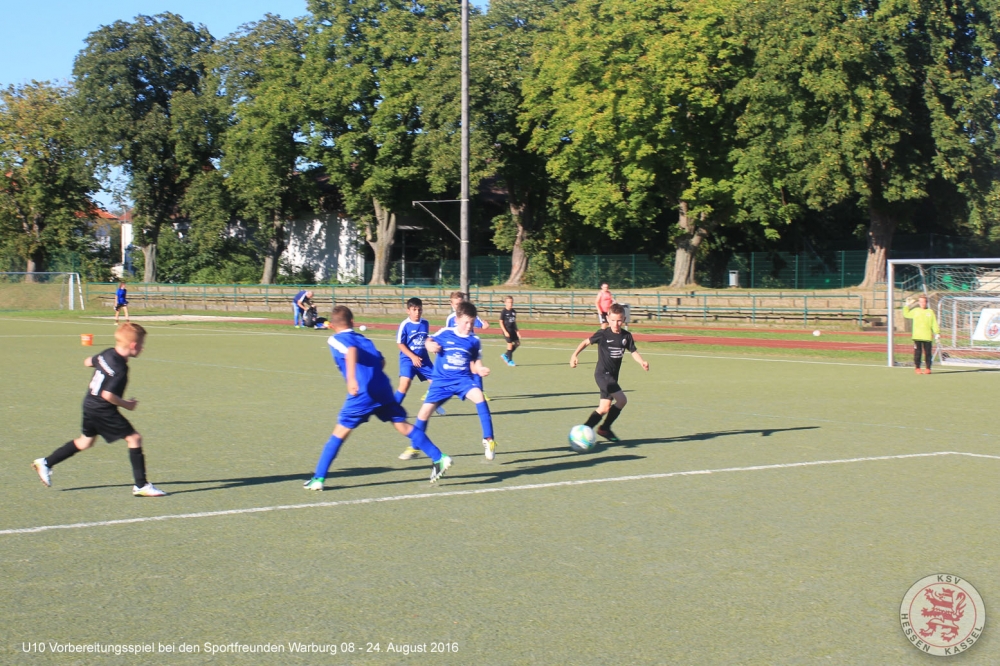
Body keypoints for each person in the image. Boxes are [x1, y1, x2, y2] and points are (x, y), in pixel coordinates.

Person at [304, 306, 452, 491]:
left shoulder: (335, 339)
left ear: (333, 325)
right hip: (383, 388)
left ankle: (318, 478)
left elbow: (351, 351)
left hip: (362, 393)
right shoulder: (364, 339)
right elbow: (381, 360)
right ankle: (439, 457)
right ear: (352, 322)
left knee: (339, 432)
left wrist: (352, 379)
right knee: (402, 425)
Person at [31, 323, 166, 497]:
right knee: (134, 438)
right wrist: (127, 404)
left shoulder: (107, 353)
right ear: (133, 345)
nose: (142, 348)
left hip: (89, 404)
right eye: (141, 344)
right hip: (102, 409)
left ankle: (46, 462)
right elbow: (107, 394)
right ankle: (141, 485)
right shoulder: (120, 368)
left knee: (85, 442)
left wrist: (101, 367)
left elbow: (88, 361)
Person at [414, 301, 497, 461]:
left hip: (462, 380)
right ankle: (415, 445)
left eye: (472, 323)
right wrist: (430, 346)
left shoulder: (474, 340)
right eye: (466, 322)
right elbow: (429, 340)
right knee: (424, 412)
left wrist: (480, 369)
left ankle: (489, 439)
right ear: (457, 320)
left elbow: (475, 363)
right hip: (442, 381)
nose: (469, 326)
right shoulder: (446, 332)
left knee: (479, 396)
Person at [570, 303, 649, 442]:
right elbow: (585, 342)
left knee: (604, 408)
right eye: (612, 320)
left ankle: (586, 429)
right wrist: (574, 355)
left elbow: (633, 351)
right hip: (602, 374)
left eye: (619, 320)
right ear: (607, 318)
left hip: (612, 376)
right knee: (622, 400)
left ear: (624, 319)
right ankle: (605, 428)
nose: (616, 324)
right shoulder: (603, 334)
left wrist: (641, 361)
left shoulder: (626, 336)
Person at [444, 291, 491, 400]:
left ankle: (480, 391)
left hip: (469, 347)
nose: (458, 306)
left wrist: (485, 325)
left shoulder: (469, 315)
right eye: (456, 304)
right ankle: (438, 389)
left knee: (475, 368)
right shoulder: (450, 318)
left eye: (460, 304)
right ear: (451, 304)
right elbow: (447, 333)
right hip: (455, 348)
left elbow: (481, 324)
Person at [903, 294, 940, 374]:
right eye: (921, 302)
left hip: (927, 337)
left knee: (928, 353)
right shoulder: (915, 311)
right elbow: (906, 314)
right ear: (919, 303)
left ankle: (928, 368)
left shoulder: (930, 312)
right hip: (917, 337)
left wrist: (937, 333)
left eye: (924, 302)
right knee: (918, 353)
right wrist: (907, 305)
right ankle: (917, 368)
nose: (922, 303)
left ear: (926, 302)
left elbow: (934, 323)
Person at [499, 295, 520, 366]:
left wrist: (517, 331)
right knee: (510, 344)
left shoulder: (513, 311)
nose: (510, 304)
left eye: (511, 302)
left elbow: (514, 322)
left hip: (512, 330)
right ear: (505, 303)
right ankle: (510, 361)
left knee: (517, 343)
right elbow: (501, 322)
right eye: (508, 302)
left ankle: (506, 355)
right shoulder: (504, 312)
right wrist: (505, 331)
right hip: (507, 330)